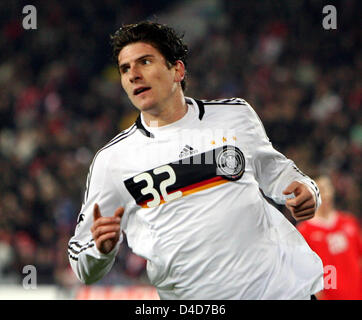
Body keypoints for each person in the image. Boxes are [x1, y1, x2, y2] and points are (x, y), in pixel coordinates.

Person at [68, 21, 324, 299]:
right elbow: (83, 264)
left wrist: (305, 188)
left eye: (144, 61)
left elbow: (277, 172)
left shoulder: (235, 116)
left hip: (283, 291)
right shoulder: (113, 160)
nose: (133, 75)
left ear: (177, 69)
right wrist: (101, 252)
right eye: (125, 68)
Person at [297, 175, 362, 300]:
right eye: (319, 190)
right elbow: (305, 274)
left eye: (327, 189)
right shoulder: (304, 232)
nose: (325, 195)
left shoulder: (349, 222)